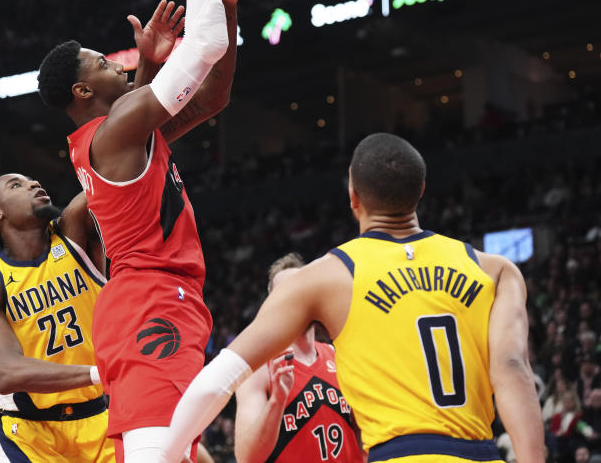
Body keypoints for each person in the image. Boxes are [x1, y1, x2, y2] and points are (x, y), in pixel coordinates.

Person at [158, 132, 544, 463]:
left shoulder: (326, 276)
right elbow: (513, 371)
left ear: (353, 196)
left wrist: (163, 452)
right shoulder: (496, 270)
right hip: (481, 450)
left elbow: (219, 378)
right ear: (421, 192)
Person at [36, 0, 248, 462]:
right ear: (83, 89)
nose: (117, 62)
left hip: (151, 299)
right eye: (104, 62)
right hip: (152, 298)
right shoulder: (117, 129)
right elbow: (202, 48)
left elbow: (213, 98)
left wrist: (227, 11)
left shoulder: (116, 135)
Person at [0, 174, 114, 462]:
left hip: (99, 418)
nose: (34, 184)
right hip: (29, 433)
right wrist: (102, 373)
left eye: (33, 180)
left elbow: (112, 168)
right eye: (16, 185)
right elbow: (8, 372)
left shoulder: (75, 231)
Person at [234, 254, 364, 463]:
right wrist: (277, 401)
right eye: (287, 292)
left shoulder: (339, 355)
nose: (297, 299)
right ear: (273, 305)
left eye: (301, 289)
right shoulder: (259, 368)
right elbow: (247, 457)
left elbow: (363, 436)